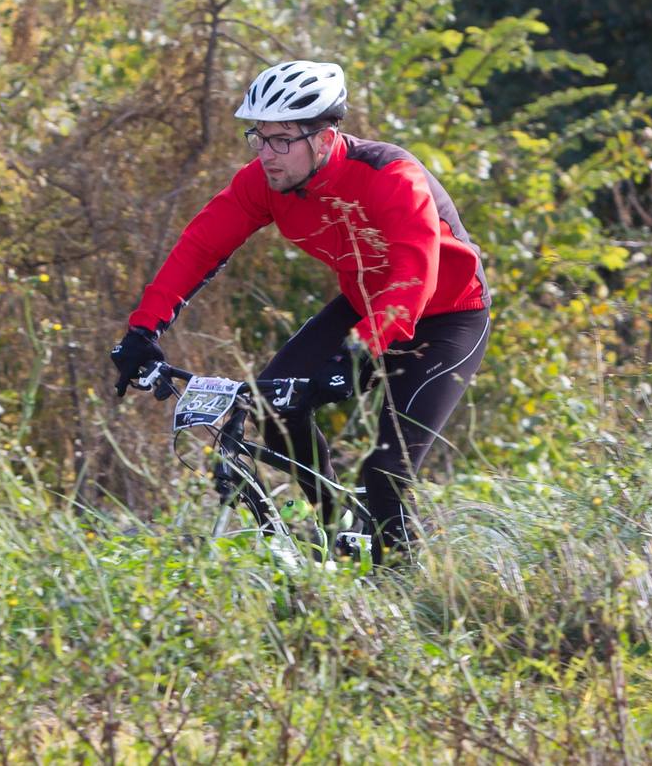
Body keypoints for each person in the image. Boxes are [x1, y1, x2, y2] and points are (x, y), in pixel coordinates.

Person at [110, 60, 491, 565]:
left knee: (386, 470)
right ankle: (339, 525)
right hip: (362, 309)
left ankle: (403, 580)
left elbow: (412, 278)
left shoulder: (391, 177)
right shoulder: (264, 182)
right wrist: (143, 328)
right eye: (259, 137)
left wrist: (359, 354)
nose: (267, 154)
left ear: (326, 135)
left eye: (282, 140)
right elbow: (200, 247)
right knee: (275, 408)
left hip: (446, 318)